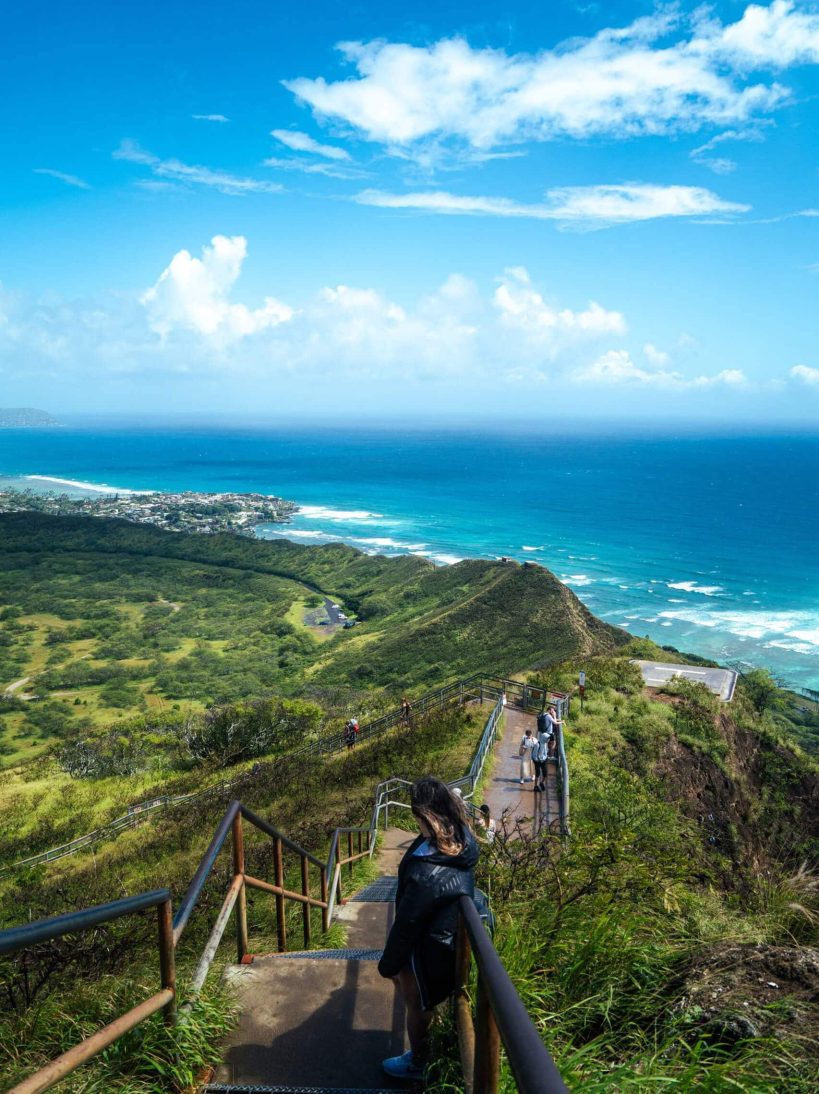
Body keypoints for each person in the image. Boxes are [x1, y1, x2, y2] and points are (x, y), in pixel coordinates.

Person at [378, 776, 479, 1081]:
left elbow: (408, 924)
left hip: (426, 947)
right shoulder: (461, 838)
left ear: (426, 815)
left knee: (415, 1002)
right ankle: (426, 1052)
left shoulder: (428, 872)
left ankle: (419, 1062)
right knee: (423, 1000)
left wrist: (389, 964)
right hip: (444, 938)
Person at [533, 721, 551, 792]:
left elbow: (545, 751)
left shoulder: (545, 744)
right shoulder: (538, 744)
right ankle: (535, 786)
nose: (548, 740)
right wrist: (539, 759)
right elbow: (534, 755)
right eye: (547, 739)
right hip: (538, 761)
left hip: (544, 760)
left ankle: (541, 783)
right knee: (537, 774)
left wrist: (546, 757)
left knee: (545, 773)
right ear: (544, 738)